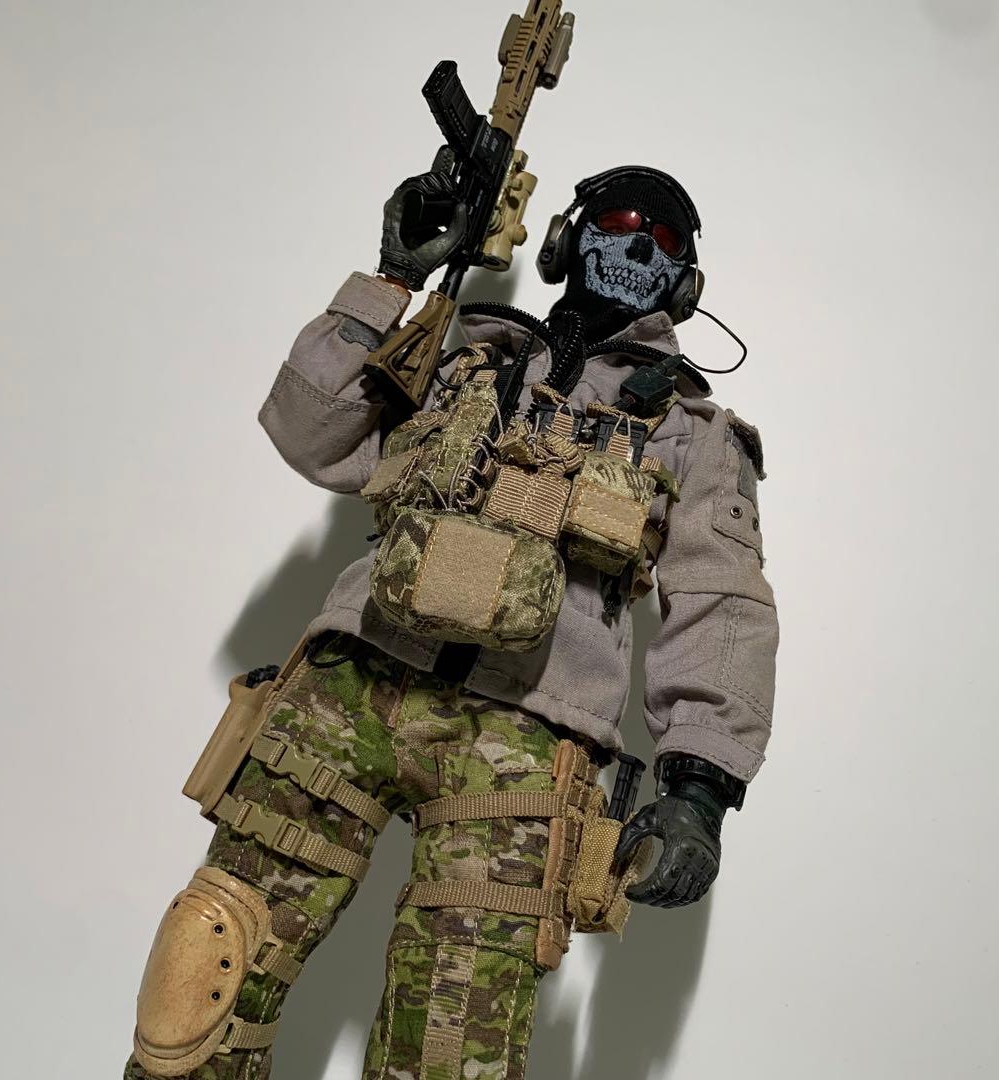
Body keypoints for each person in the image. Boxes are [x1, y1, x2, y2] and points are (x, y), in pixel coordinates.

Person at [125, 163, 779, 1080]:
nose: (637, 248)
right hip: (349, 690)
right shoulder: (461, 351)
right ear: (563, 241)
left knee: (452, 1045)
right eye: (619, 222)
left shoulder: (693, 433)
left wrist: (699, 789)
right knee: (206, 972)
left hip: (525, 737)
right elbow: (309, 434)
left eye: (663, 240)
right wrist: (390, 281)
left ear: (685, 283)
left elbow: (723, 600)